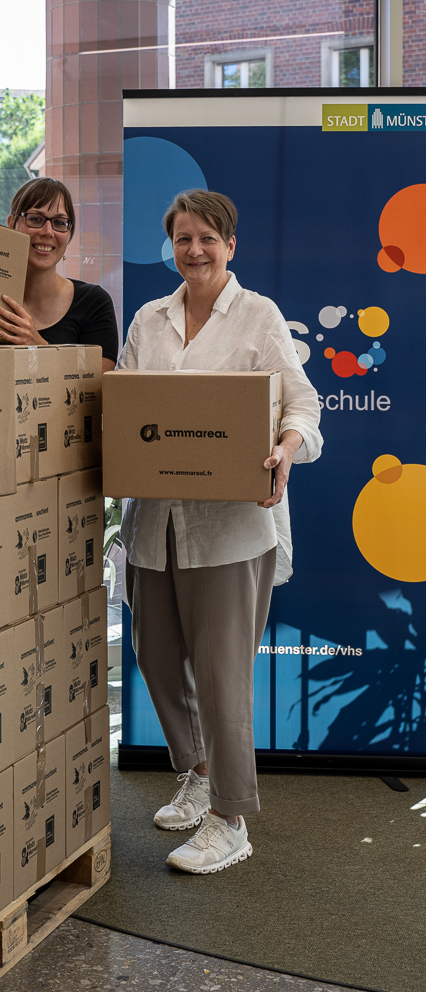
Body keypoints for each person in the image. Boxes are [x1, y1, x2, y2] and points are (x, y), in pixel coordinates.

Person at [119, 189, 322, 875]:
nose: (195, 250)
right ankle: (201, 772)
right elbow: (124, 401)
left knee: (222, 674)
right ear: (170, 246)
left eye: (208, 237)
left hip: (230, 528)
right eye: (183, 238)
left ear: (230, 245)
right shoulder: (149, 319)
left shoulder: (259, 315)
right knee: (154, 653)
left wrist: (288, 447)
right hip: (154, 521)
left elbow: (302, 401)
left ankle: (231, 819)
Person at [0, 177, 119, 373]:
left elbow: (97, 387)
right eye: (35, 219)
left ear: (68, 235)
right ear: (11, 224)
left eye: (59, 222)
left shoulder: (94, 303)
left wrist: (39, 346)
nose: (48, 231)